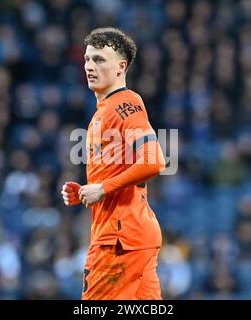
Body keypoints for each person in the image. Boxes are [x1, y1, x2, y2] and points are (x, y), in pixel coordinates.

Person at [61, 27, 166, 300]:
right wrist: (87, 190)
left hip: (119, 241)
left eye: (99, 60)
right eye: (87, 59)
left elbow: (154, 162)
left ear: (121, 67)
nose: (89, 66)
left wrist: (103, 189)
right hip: (135, 235)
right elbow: (122, 170)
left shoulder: (124, 104)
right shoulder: (104, 111)